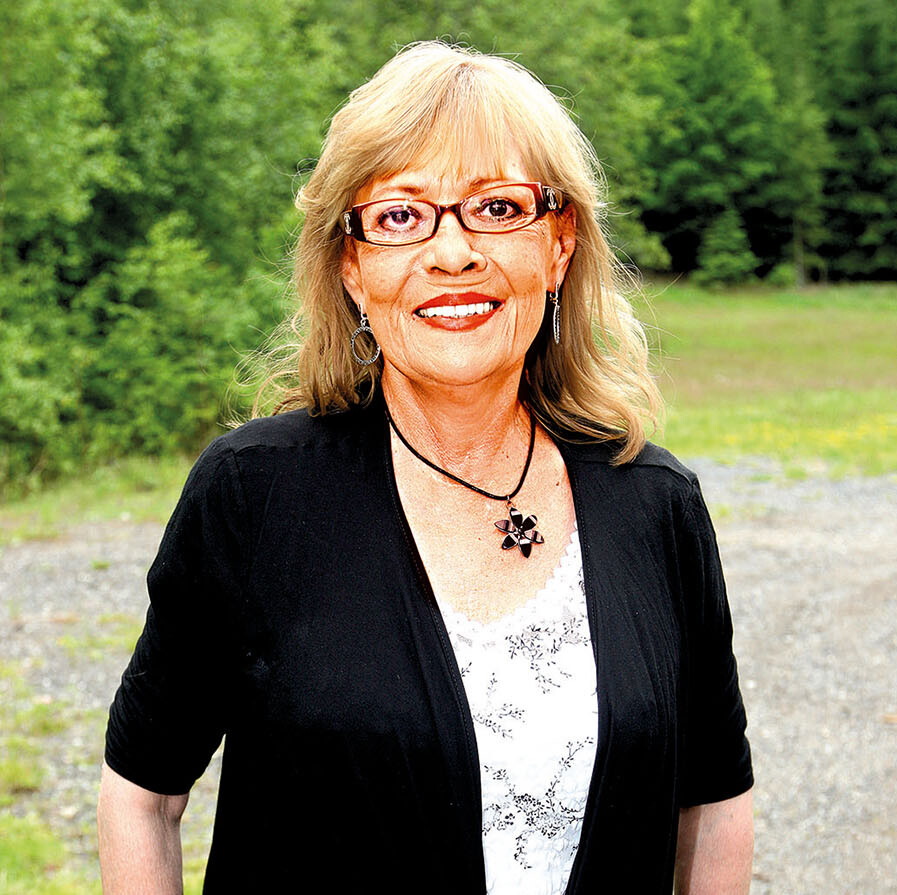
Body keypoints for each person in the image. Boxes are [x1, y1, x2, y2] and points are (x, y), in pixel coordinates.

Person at [97, 41, 753, 894]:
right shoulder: (254, 495)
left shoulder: (654, 504)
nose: (451, 253)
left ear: (558, 245)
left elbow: (713, 802)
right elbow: (143, 796)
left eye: (498, 207)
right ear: (352, 265)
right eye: (401, 216)